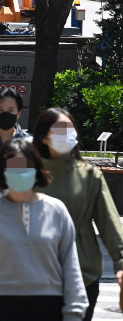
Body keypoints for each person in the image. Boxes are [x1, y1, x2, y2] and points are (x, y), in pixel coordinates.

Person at [0, 139, 88, 321]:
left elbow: (71, 266)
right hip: (2, 307)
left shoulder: (56, 210)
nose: (20, 172)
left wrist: (74, 312)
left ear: (37, 168)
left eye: (26, 166)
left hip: (50, 306)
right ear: (3, 171)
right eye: (13, 166)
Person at [33, 108, 123, 321]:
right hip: (37, 275)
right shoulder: (30, 173)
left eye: (69, 129)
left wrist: (121, 263)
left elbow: (109, 223)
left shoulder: (91, 176)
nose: (65, 135)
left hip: (84, 273)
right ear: (44, 137)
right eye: (58, 130)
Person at [0, 87, 31, 152]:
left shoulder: (29, 142)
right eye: (0, 110)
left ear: (18, 113)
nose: (5, 114)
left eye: (10, 110)